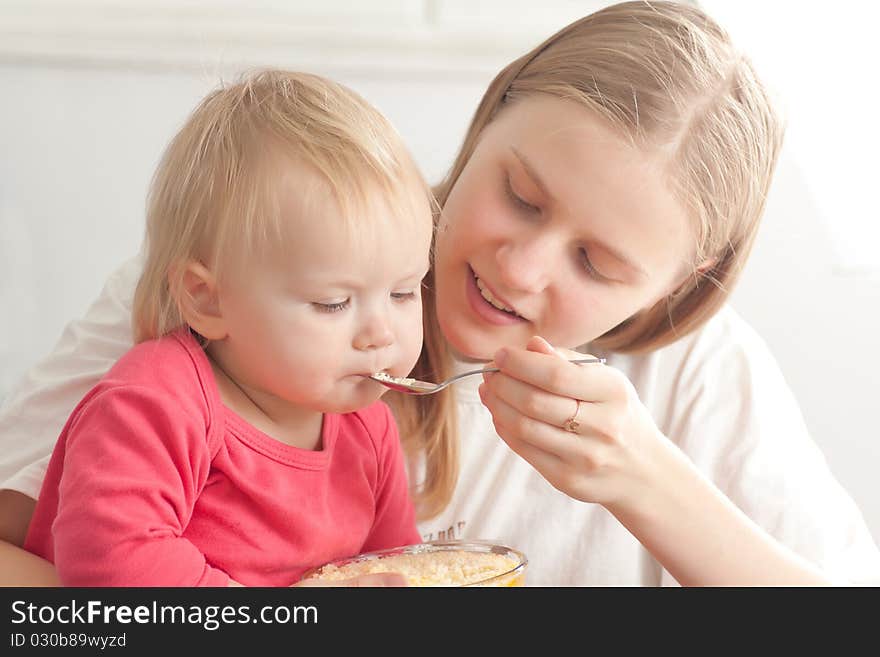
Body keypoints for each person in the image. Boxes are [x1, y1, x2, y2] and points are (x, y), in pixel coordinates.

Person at [2, 1, 879, 586]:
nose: (523, 267)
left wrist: (645, 482)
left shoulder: (700, 375)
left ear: (674, 289)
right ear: (486, 115)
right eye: (521, 195)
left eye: (597, 264)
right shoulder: (250, 279)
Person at [14, 69, 438, 586]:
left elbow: (394, 566)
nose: (382, 333)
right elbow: (112, 559)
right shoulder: (155, 402)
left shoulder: (369, 431)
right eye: (333, 302)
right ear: (206, 299)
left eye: (402, 292)